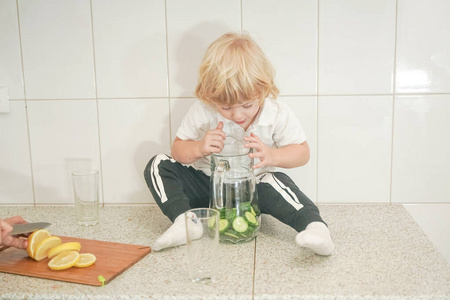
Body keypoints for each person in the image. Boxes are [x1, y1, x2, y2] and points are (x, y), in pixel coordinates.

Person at [144, 32, 334, 256]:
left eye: (247, 105)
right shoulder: (203, 109)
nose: (237, 114)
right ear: (210, 96)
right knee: (158, 164)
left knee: (277, 180)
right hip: (207, 187)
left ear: (263, 91)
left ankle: (316, 228)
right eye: (225, 107)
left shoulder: (277, 112)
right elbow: (178, 150)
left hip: (254, 188)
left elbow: (302, 153)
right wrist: (199, 148)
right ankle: (187, 222)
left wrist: (272, 156)